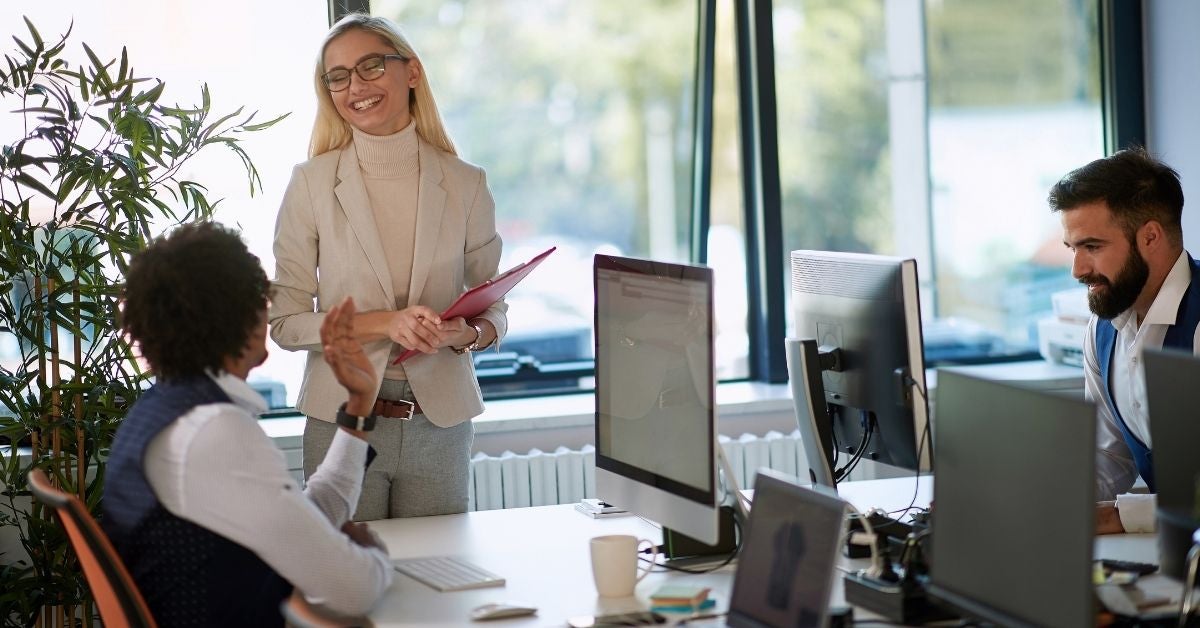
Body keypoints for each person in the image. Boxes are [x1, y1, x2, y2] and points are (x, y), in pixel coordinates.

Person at [270, 13, 505, 520]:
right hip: (341, 420)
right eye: (338, 76)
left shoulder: (466, 183)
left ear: (412, 72)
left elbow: (495, 309)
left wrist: (462, 335)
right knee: (344, 591)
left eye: (371, 66)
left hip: (440, 424)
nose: (356, 86)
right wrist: (386, 324)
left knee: (438, 583)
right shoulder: (311, 183)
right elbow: (286, 326)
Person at [104, 222, 393, 625]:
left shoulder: (165, 411)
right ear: (236, 312)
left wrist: (359, 403)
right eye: (260, 297)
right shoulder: (214, 431)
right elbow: (354, 590)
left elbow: (300, 522)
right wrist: (377, 553)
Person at [1048, 146, 1198, 535]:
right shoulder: (1101, 330)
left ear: (1150, 236)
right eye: (1072, 248)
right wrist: (1033, 496)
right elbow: (1109, 457)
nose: (1077, 269)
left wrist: (1120, 517)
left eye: (1092, 247)